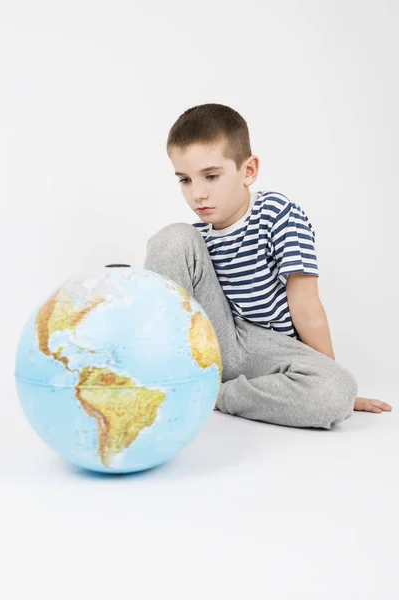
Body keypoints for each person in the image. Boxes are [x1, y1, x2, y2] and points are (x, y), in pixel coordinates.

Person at [144, 103, 392, 429]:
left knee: (335, 390)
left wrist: (329, 374)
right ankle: (152, 372)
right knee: (173, 237)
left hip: (269, 351)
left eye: (211, 176)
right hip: (217, 338)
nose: (197, 194)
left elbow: (305, 304)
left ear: (248, 171)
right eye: (185, 180)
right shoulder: (197, 237)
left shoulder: (277, 214)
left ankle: (213, 394)